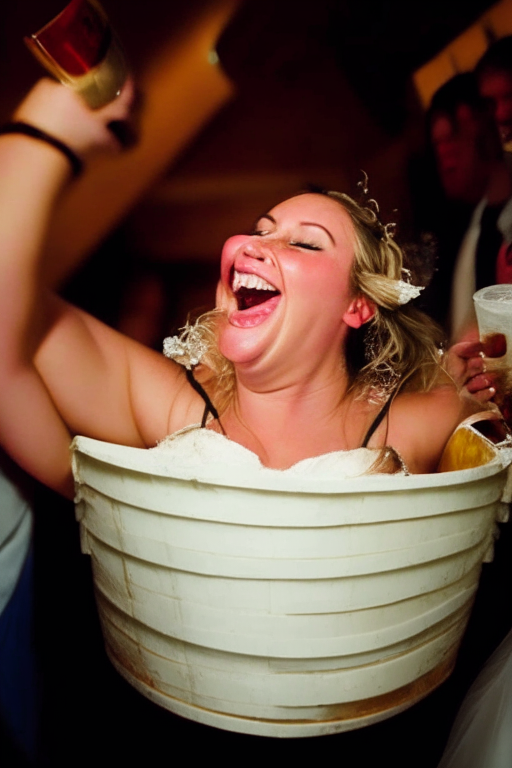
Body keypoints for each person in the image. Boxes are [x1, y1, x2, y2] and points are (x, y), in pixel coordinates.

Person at [0, 78, 495, 499]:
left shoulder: (404, 427)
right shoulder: (176, 405)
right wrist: (42, 139)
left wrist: (478, 380)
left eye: (304, 243)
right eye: (259, 231)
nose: (250, 246)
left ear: (357, 305)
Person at [421, 73, 511, 339]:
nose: (446, 160)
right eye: (438, 146)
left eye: (450, 139)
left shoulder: (494, 222)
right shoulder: (473, 225)